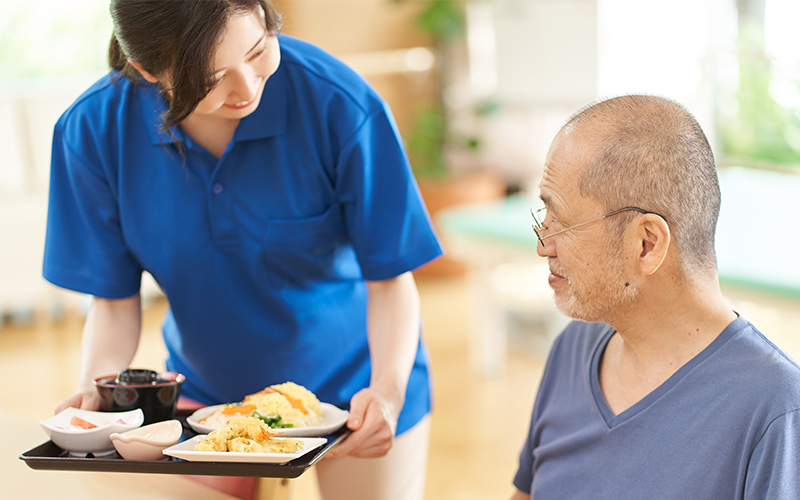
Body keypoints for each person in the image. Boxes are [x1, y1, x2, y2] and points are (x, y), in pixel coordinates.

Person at [43, 1, 442, 498]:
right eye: (212, 77)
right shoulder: (93, 131)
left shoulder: (339, 102)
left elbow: (390, 278)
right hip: (208, 401)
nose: (249, 87)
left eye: (259, 51)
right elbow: (113, 300)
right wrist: (93, 389)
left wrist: (387, 390)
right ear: (148, 69)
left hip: (360, 383)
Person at [511, 95, 800, 499]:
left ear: (646, 244)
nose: (544, 245)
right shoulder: (572, 348)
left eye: (561, 221)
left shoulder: (775, 412)